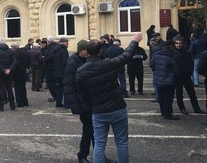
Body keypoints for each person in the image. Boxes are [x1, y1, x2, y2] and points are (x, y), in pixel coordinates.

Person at [76, 32, 143, 163]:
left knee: (99, 144)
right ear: (100, 51)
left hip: (99, 111)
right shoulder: (108, 63)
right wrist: (134, 41)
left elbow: (82, 96)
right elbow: (126, 56)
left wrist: (92, 107)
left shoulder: (81, 72)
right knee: (122, 143)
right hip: (117, 108)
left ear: (87, 52)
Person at [64, 40, 94, 163]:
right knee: (88, 129)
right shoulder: (73, 63)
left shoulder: (88, 60)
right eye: (85, 51)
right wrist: (75, 105)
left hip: (92, 100)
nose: (87, 53)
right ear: (80, 50)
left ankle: (98, 155)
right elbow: (69, 85)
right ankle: (82, 155)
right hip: (83, 103)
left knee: (95, 130)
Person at [172, 37, 205, 115]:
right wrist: (177, 73)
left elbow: (191, 63)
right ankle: (182, 108)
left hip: (187, 76)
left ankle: (196, 108)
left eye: (180, 43)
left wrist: (190, 71)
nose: (178, 45)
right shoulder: (173, 53)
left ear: (182, 44)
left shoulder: (186, 53)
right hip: (178, 77)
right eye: (176, 43)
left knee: (192, 93)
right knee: (179, 94)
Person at [150, 41, 179, 120]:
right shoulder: (173, 55)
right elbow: (176, 69)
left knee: (161, 96)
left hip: (159, 78)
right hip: (169, 79)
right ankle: (168, 114)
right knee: (168, 97)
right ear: (170, 46)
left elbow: (152, 65)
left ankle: (163, 112)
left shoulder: (157, 54)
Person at [0, 39, 17, 111]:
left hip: (0, 72)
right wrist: (9, 69)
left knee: (0, 88)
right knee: (9, 88)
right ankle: (12, 105)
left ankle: (0, 106)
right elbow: (14, 61)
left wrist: (3, 69)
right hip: (9, 72)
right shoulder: (11, 51)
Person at [11, 42, 29, 107]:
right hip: (24, 73)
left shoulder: (15, 54)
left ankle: (20, 102)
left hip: (17, 73)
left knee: (18, 88)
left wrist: (23, 69)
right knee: (23, 88)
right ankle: (25, 101)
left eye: (11, 47)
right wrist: (26, 69)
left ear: (14, 47)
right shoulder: (24, 52)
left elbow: (17, 64)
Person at [52, 38, 69, 107]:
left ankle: (58, 102)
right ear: (63, 43)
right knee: (66, 88)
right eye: (67, 42)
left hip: (56, 71)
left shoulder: (55, 49)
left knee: (59, 88)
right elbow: (65, 61)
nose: (68, 44)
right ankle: (67, 104)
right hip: (63, 72)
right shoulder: (64, 50)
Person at [43, 36, 57, 102]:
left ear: (48, 42)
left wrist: (44, 59)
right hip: (52, 67)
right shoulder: (54, 46)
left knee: (50, 82)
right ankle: (55, 95)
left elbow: (51, 56)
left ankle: (55, 95)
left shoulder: (51, 48)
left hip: (50, 67)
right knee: (53, 82)